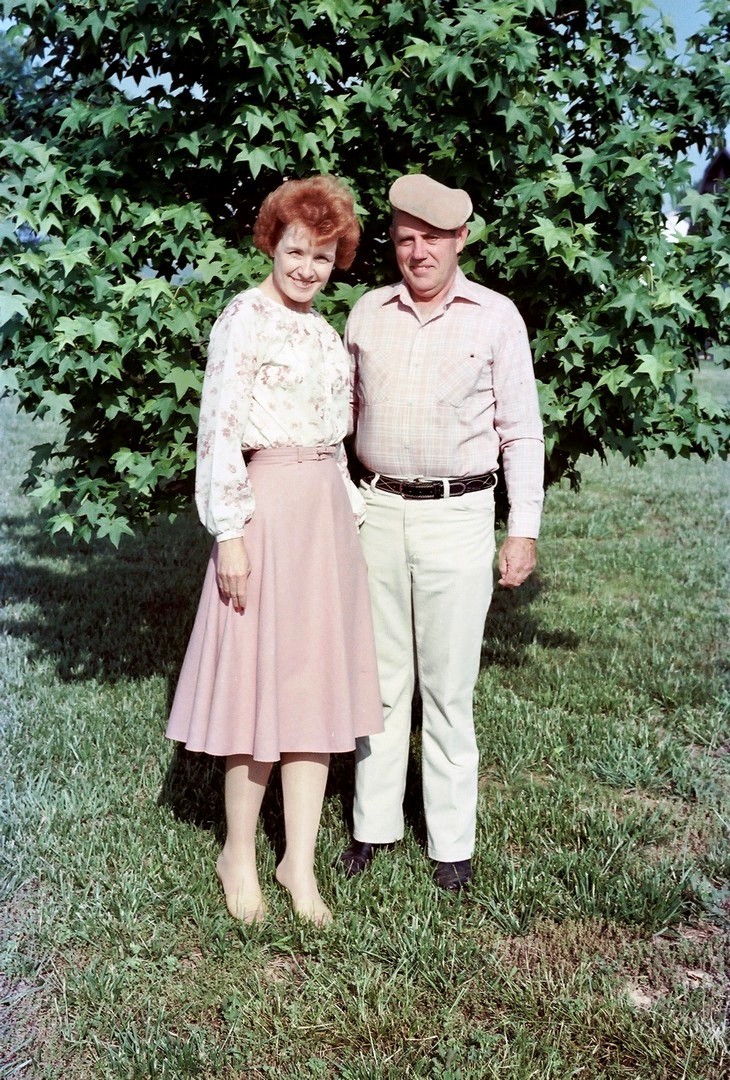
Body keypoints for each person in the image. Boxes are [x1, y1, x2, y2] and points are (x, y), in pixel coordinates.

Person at [166, 175, 383, 926]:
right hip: (264, 515)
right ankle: (238, 854)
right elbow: (219, 429)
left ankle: (300, 861)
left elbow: (333, 437)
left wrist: (347, 509)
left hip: (323, 518)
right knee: (259, 686)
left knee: (315, 688)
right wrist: (229, 533)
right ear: (272, 243)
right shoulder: (244, 318)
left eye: (323, 256)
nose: (307, 268)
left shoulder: (325, 333)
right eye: (297, 251)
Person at [338, 173, 544, 891]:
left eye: (432, 238)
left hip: (460, 516)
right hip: (377, 514)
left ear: (461, 240)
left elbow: (521, 432)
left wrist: (522, 529)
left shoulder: (496, 317)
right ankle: (373, 827)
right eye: (405, 239)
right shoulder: (367, 313)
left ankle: (451, 843)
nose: (418, 252)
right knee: (379, 682)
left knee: (449, 689)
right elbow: (339, 420)